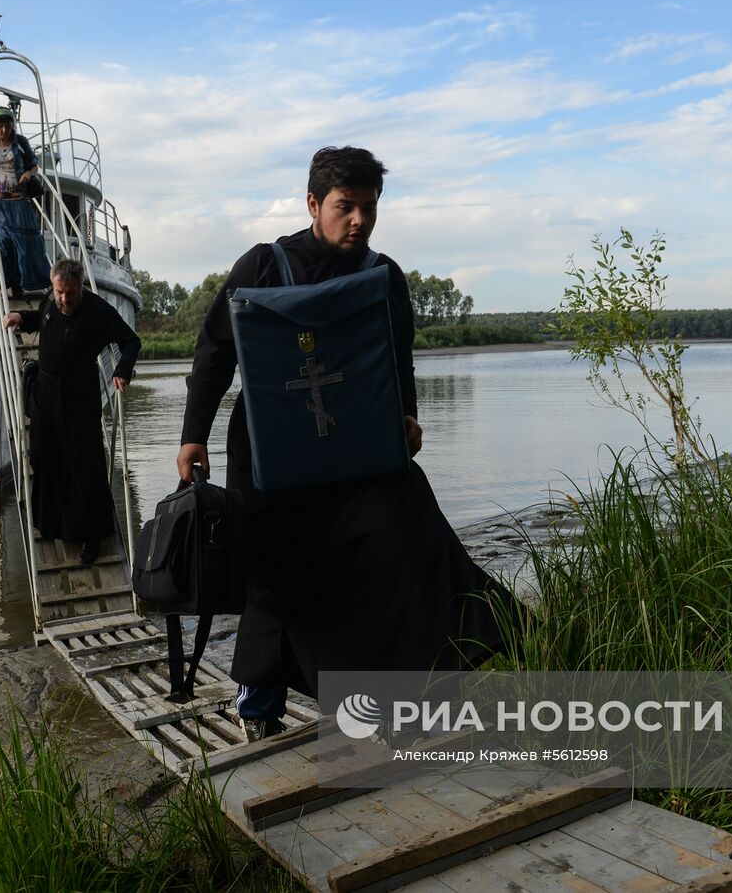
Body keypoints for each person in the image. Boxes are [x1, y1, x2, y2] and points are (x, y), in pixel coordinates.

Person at [177, 146, 516, 742]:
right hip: (268, 458)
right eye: (345, 207)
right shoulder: (262, 266)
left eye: (369, 207)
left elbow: (398, 358)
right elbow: (213, 355)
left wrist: (408, 415)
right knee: (273, 575)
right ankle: (258, 704)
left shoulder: (384, 277)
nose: (359, 219)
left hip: (355, 454)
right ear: (313, 204)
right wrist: (191, 435)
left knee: (401, 543)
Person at [4, 258, 141, 565]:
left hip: (79, 395)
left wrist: (123, 370)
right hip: (46, 391)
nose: (64, 298)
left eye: (70, 292)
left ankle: (91, 536)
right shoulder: (50, 301)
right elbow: (41, 318)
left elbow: (131, 342)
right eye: (59, 291)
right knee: (41, 454)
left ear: (80, 286)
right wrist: (21, 318)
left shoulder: (98, 311)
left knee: (83, 465)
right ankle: (51, 522)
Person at [0, 106, 51, 298]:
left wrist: (28, 173)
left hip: (19, 198)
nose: (3, 129)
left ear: (12, 125)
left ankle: (20, 283)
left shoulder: (20, 142)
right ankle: (3, 284)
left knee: (26, 241)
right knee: (3, 239)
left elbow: (34, 165)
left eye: (7, 125)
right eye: (0, 125)